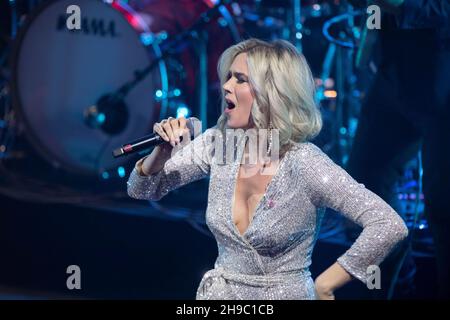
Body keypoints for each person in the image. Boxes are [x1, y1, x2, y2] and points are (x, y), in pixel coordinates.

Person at [127, 38, 408, 300]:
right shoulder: (220, 144)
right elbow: (142, 190)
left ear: (271, 93)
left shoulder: (305, 163)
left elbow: (388, 224)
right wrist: (161, 152)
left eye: (240, 79)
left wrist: (326, 283)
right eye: (227, 77)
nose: (226, 86)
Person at [346, 0, 450, 299]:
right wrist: (373, 27)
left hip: (443, 76)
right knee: (365, 190)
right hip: (395, 73)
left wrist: (397, 6)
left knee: (444, 209)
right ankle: (397, 289)